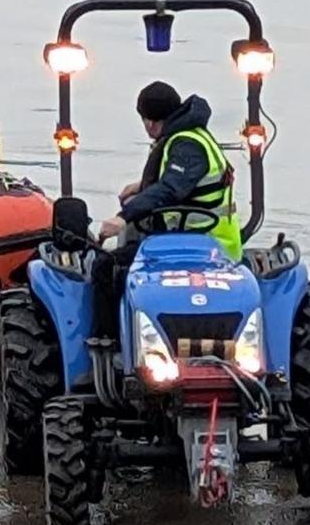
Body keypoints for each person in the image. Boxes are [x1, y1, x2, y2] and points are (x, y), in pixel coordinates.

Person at [92, 81, 241, 340]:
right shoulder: (193, 135)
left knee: (106, 266)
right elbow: (186, 181)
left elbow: (170, 189)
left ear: (149, 122)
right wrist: (141, 186)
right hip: (200, 240)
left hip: (206, 246)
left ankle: (108, 341)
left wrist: (122, 218)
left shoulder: (186, 145)